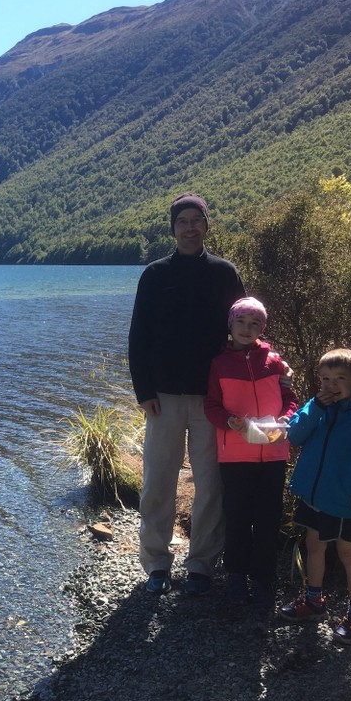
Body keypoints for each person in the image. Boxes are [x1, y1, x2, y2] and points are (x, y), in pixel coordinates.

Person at [128, 192, 246, 595]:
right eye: (183, 221)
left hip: (212, 399)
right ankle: (157, 563)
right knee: (158, 480)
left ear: (206, 225)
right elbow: (138, 337)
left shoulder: (225, 273)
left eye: (196, 220)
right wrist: (144, 390)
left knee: (210, 482)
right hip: (162, 396)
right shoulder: (155, 275)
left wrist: (268, 370)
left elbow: (244, 330)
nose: (190, 227)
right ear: (173, 228)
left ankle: (201, 565)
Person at [278, 348, 351, 645]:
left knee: (346, 552)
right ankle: (314, 600)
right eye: (325, 379)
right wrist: (315, 407)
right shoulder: (318, 408)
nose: (331, 386)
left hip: (342, 502)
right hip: (314, 496)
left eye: (340, 378)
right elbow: (295, 435)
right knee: (314, 544)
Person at [204, 296, 298, 610]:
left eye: (254, 323)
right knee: (238, 518)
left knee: (268, 518)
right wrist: (228, 421)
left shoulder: (274, 361)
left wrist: (286, 418)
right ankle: (235, 577)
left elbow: (290, 399)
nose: (247, 329)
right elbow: (212, 406)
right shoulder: (219, 363)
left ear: (262, 327)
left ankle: (263, 580)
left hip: (273, 452)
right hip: (236, 455)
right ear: (230, 325)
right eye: (241, 322)